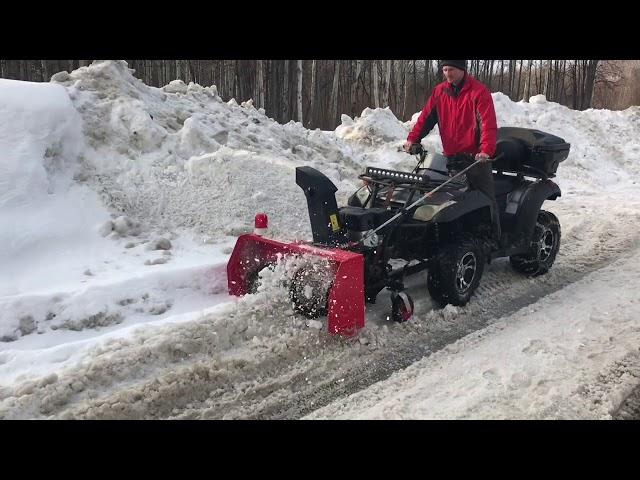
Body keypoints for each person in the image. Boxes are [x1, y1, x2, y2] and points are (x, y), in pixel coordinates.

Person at [404, 60, 501, 242]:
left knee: (485, 197)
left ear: (462, 70)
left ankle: (493, 237)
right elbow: (426, 118)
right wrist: (413, 139)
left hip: (476, 159)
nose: (448, 74)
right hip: (451, 156)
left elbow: (488, 125)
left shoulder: (478, 92)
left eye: (452, 70)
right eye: (445, 69)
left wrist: (486, 150)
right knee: (443, 197)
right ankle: (445, 237)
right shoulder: (440, 92)